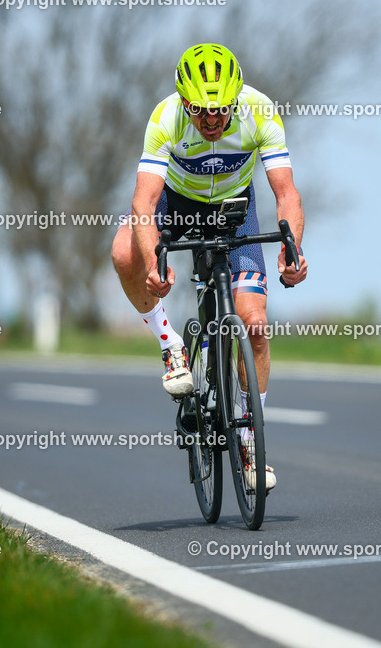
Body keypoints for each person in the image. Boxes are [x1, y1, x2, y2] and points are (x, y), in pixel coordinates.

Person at [111, 43, 308, 491]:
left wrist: (292, 248)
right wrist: (154, 260)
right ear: (185, 103)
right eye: (201, 111)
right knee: (124, 253)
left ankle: (248, 440)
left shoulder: (259, 111)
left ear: (236, 100)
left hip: (235, 209)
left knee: (254, 326)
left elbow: (287, 194)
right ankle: (170, 344)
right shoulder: (166, 119)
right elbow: (143, 202)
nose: (213, 121)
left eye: (221, 111)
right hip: (175, 203)